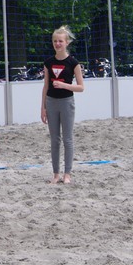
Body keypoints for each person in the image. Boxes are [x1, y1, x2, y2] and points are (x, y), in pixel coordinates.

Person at [40, 26, 85, 184]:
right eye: (55, 41)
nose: (57, 44)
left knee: (67, 139)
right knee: (54, 139)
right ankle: (55, 174)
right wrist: (43, 107)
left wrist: (64, 85)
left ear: (67, 43)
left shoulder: (73, 63)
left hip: (67, 102)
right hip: (51, 102)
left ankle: (67, 174)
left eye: (60, 41)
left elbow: (81, 87)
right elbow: (46, 86)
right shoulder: (48, 63)